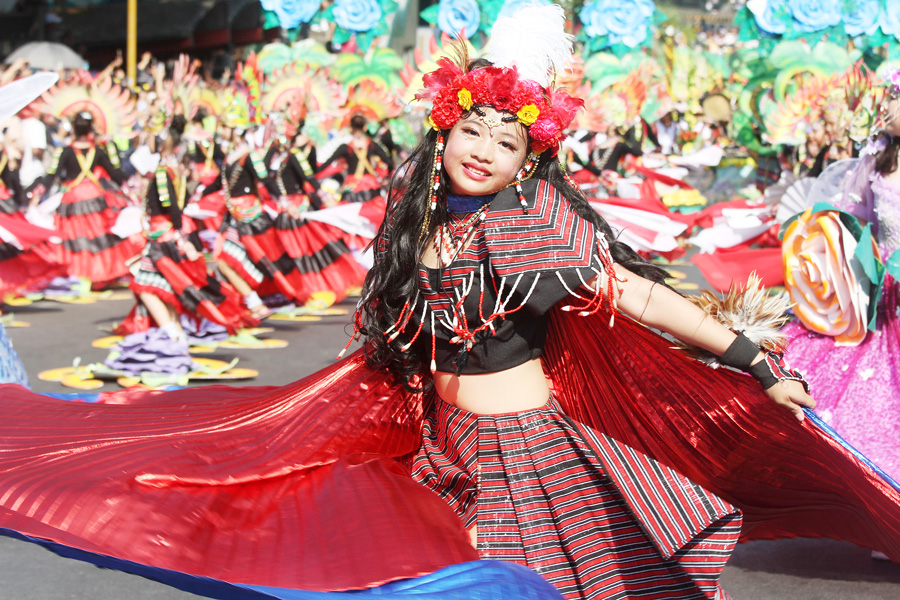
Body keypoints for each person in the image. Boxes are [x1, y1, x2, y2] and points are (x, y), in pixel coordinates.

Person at [2, 8, 900, 600]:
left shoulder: (534, 227)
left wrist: (755, 361)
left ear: (527, 161)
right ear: (446, 128)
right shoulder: (417, 220)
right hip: (444, 453)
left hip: (535, 461)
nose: (482, 148)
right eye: (472, 127)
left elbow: (638, 298)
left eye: (506, 141)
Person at [779, 81, 900, 482]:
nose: (890, 106)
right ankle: (880, 506)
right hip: (882, 296)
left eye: (898, 98)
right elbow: (854, 219)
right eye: (892, 97)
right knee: (868, 407)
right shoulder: (880, 155)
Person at [49, 111, 143, 285]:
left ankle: (79, 275)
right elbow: (116, 174)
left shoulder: (66, 151)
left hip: (73, 199)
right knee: (100, 237)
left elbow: (53, 174)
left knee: (78, 240)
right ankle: (100, 275)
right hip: (95, 197)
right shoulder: (98, 151)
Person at [317, 113, 393, 203]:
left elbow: (327, 163)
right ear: (365, 127)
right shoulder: (373, 145)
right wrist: (386, 179)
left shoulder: (345, 147)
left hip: (352, 186)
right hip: (371, 186)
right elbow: (389, 162)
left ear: (351, 128)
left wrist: (310, 175)